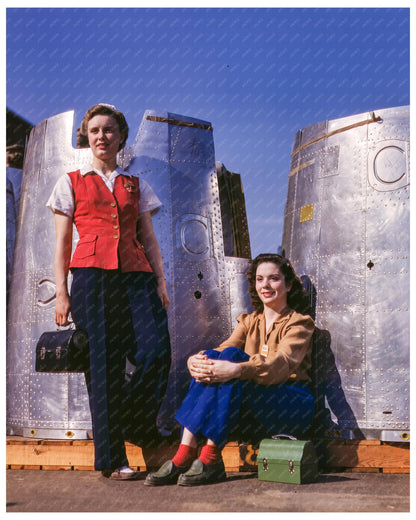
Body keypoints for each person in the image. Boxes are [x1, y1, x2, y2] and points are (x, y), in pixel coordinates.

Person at [46, 103, 171, 480]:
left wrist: (160, 282)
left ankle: (132, 421)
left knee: (156, 352)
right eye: (95, 130)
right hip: (91, 280)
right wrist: (62, 293)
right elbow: (62, 243)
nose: (102, 136)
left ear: (121, 137)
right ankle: (112, 459)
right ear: (87, 136)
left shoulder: (136, 184)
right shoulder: (70, 181)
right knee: (104, 367)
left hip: (136, 278)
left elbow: (148, 238)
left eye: (109, 130)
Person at [145, 253, 315, 487]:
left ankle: (209, 457)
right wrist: (196, 361)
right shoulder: (249, 321)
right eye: (259, 279)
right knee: (215, 356)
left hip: (290, 405)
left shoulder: (300, 323)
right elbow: (221, 350)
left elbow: (280, 364)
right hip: (257, 404)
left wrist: (236, 370)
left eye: (274, 279)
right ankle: (187, 451)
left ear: (287, 284)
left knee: (233, 360)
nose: (265, 285)